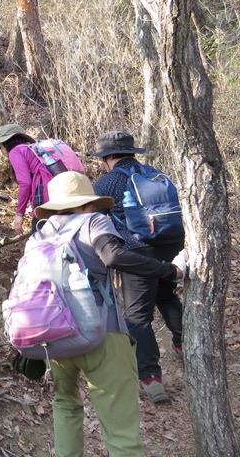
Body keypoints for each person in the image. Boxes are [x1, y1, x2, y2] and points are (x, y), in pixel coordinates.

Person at [32, 171, 183, 456]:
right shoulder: (93, 221)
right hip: (102, 331)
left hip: (54, 335)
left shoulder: (41, 232)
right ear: (88, 203)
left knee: (65, 404)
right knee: (119, 425)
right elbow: (113, 255)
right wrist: (167, 270)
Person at [90, 131, 185, 403]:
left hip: (136, 252)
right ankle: (184, 343)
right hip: (171, 246)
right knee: (166, 296)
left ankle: (151, 378)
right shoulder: (154, 173)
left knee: (137, 316)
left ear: (107, 157)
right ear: (132, 152)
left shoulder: (106, 183)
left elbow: (95, 221)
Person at [0, 124, 54, 234]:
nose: (1, 150)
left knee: (39, 238)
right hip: (60, 192)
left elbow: (25, 182)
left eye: (0, 146)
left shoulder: (15, 152)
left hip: (45, 196)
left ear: (5, 143)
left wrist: (19, 214)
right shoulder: (31, 148)